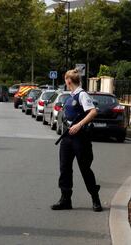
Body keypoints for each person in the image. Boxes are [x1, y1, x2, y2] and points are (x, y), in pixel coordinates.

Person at [51, 68, 102, 212]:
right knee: (65, 168)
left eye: (65, 80)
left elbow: (93, 112)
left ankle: (95, 198)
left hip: (80, 138)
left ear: (68, 81)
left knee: (85, 168)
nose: (65, 83)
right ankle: (65, 199)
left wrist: (79, 125)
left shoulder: (82, 94)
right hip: (67, 137)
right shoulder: (70, 96)